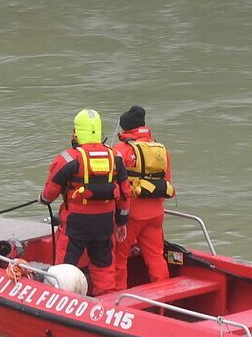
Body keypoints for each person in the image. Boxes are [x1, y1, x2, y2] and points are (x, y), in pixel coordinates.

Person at [40, 109, 130, 295]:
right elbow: (125, 194)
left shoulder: (68, 158)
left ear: (76, 132)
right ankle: (106, 303)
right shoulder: (116, 158)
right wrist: (121, 223)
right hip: (105, 224)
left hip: (75, 224)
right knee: (104, 266)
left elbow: (50, 192)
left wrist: (43, 199)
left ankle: (61, 301)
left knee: (65, 268)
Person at [111, 104, 175, 284]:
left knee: (119, 258)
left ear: (126, 128)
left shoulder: (120, 151)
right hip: (155, 214)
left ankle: (118, 300)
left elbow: (115, 187)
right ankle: (162, 296)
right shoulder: (162, 151)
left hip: (130, 214)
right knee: (156, 257)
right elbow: (167, 181)